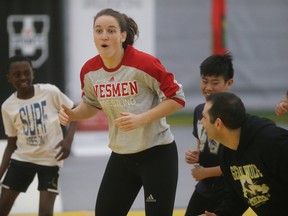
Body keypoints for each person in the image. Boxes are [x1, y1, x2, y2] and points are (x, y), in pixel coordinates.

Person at [58, 8, 185, 216]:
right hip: (122, 156)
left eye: (110, 30)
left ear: (122, 36)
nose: (104, 35)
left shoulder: (144, 63)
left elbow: (177, 99)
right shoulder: (90, 71)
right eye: (98, 31)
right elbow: (92, 105)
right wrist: (72, 114)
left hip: (157, 154)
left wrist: (141, 119)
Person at [0, 55, 77, 216]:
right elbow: (11, 144)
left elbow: (74, 111)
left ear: (33, 73)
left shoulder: (49, 91)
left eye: (26, 72)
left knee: (45, 213)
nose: (23, 77)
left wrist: (68, 141)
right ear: (9, 78)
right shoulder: (7, 106)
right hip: (22, 159)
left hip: (50, 160)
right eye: (17, 74)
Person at [199, 92, 288, 216]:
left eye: (204, 117)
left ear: (218, 124)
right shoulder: (227, 153)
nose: (202, 122)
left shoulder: (273, 143)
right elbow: (238, 197)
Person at [184, 53, 234, 216]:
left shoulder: (233, 116)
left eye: (215, 83)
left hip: (228, 191)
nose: (208, 87)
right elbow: (202, 144)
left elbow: (237, 164)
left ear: (229, 83)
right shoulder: (199, 110)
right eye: (205, 81)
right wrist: (196, 154)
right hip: (204, 187)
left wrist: (206, 172)